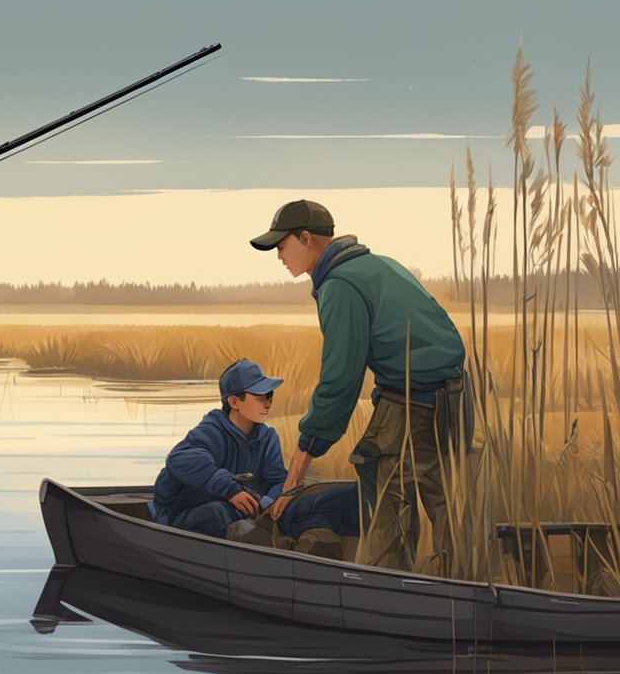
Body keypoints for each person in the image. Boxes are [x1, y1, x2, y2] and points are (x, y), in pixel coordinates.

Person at [250, 200, 473, 575]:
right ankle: (465, 582)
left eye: (282, 245)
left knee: (383, 487)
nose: (278, 255)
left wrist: (299, 467)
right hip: (455, 398)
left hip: (411, 402)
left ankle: (386, 585)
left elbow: (340, 381)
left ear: (306, 239)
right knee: (446, 495)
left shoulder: (340, 285)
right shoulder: (380, 264)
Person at [150, 360, 344, 558]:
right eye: (260, 397)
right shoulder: (211, 431)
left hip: (244, 514)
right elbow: (179, 458)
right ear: (234, 402)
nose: (268, 403)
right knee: (218, 512)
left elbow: (276, 479)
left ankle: (314, 549)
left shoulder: (267, 437)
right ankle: (263, 551)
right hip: (185, 515)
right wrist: (230, 490)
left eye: (269, 396)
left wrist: (274, 501)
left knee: (295, 511)